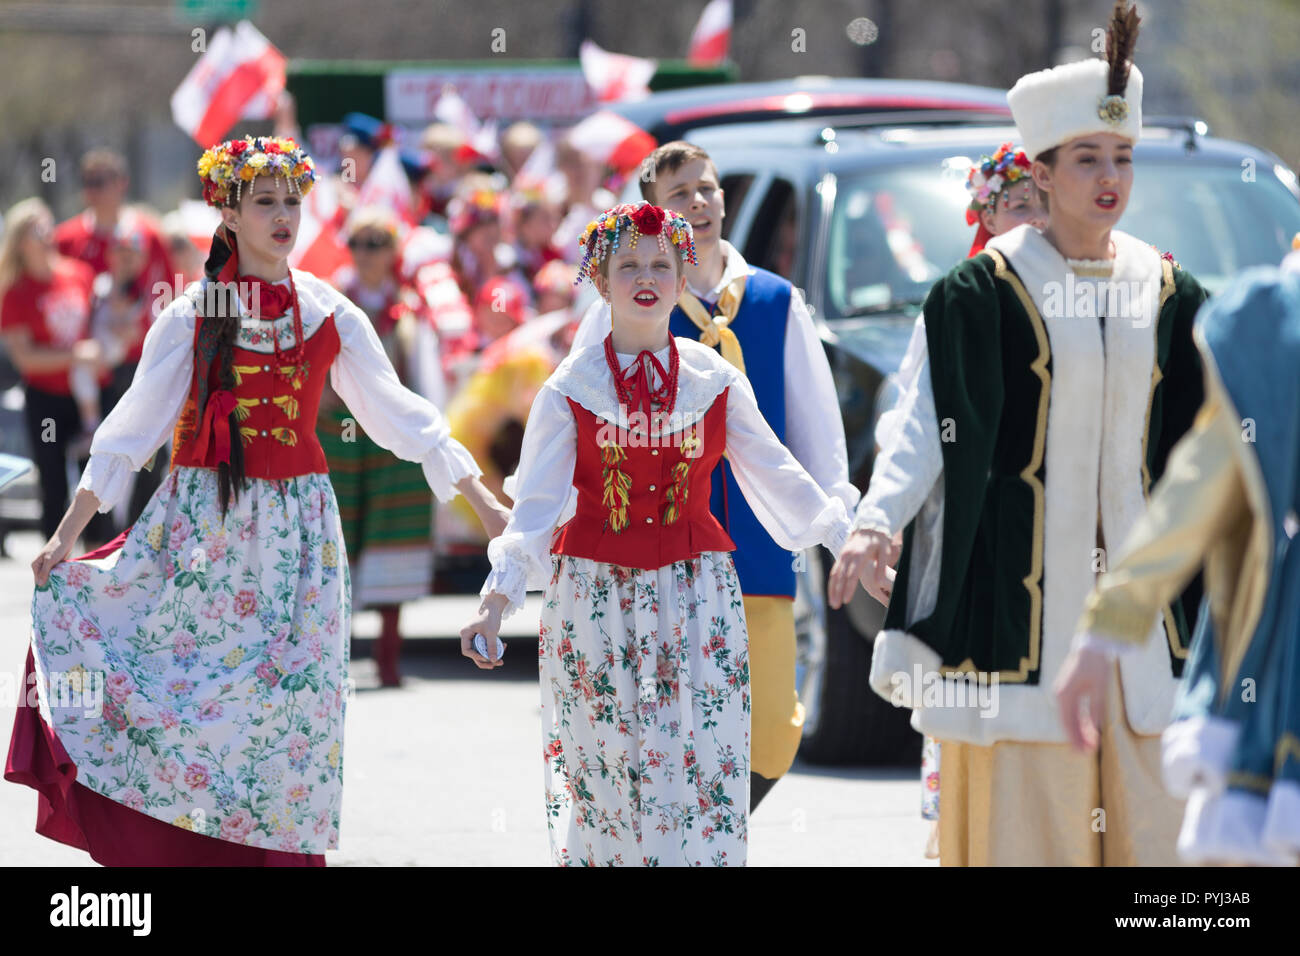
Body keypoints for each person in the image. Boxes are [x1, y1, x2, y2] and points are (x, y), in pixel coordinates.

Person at [5, 135, 509, 866]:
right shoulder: (192, 313)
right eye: (264, 202)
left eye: (292, 202)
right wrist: (66, 535)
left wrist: (484, 501)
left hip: (300, 534)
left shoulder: (329, 310)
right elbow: (131, 431)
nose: (283, 216)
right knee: (194, 702)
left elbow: (402, 415)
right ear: (229, 213)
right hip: (204, 529)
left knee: (294, 711)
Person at [828, 0, 1209, 866]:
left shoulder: (1171, 291)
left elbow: (1219, 436)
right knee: (1029, 833)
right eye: (1086, 158)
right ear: (1040, 171)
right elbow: (922, 423)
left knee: (1162, 837)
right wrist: (876, 521)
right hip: (1020, 617)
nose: (1109, 175)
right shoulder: (979, 294)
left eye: (1122, 156)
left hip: (1148, 620)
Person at [460, 201, 851, 866]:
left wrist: (851, 542)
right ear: (601, 279)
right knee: (608, 777)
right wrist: (496, 600)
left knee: (697, 775)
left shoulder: (714, 379)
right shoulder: (570, 387)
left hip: (696, 599)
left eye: (661, 264)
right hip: (594, 601)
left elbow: (783, 478)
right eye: (629, 264)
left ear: (680, 275)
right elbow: (535, 507)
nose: (647, 276)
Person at [570, 141, 860, 811]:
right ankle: (685, 842)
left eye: (706, 189)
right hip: (656, 547)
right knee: (663, 727)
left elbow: (818, 428)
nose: (697, 203)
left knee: (772, 734)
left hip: (758, 549)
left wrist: (837, 523)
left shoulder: (775, 302)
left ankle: (712, 827)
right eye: (680, 194)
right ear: (653, 210)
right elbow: (578, 416)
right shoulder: (628, 299)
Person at [1058, 262, 1300, 866]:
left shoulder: (1277, 323)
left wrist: (1105, 629)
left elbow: (1195, 490)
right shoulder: (1275, 325)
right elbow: (1199, 487)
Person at [876, 143, 1045, 858]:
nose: (1032, 217)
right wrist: (879, 518)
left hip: (1059, 543)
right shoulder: (962, 298)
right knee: (973, 721)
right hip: (977, 535)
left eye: (1043, 201)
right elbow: (911, 417)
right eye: (1017, 203)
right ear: (984, 211)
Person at [316, 207, 450, 687]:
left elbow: (425, 372)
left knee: (393, 535)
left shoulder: (410, 306)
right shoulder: (328, 300)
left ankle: (389, 658)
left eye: (378, 243)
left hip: (392, 438)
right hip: (339, 434)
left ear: (394, 251)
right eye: (359, 243)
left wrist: (427, 430)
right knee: (336, 540)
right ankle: (337, 658)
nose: (368, 253)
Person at [0, 198, 104, 543]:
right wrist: (76, 356)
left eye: (47, 224)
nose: (46, 234)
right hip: (46, 400)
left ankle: (96, 562)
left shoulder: (79, 274)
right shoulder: (16, 293)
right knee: (53, 484)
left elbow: (99, 326)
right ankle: (53, 573)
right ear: (21, 240)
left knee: (97, 480)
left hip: (87, 394)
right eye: (36, 228)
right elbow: (26, 359)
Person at [54, 149, 175, 300]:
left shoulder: (150, 235)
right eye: (86, 182)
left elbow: (171, 292)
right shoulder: (64, 239)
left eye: (99, 182)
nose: (91, 190)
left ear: (121, 183)